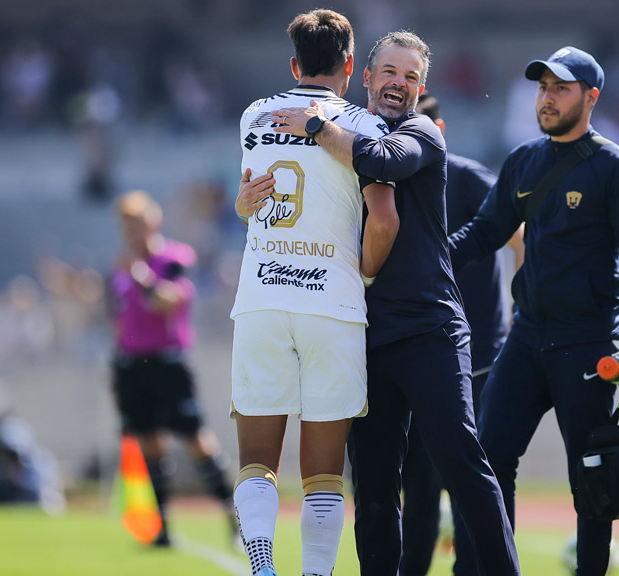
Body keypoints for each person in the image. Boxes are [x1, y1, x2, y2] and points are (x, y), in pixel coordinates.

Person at [271, 31, 521, 576]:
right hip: (362, 334)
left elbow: (387, 159)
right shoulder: (342, 136)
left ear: (421, 88)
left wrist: (314, 124)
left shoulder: (422, 131)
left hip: (429, 327)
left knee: (462, 460)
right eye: (390, 72)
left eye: (411, 77)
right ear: (366, 75)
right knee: (377, 487)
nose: (399, 84)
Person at [448, 46, 619, 576]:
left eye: (560, 88)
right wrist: (429, 261)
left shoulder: (616, 168)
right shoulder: (523, 160)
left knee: (592, 473)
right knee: (489, 460)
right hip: (528, 338)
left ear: (590, 97)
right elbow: (486, 232)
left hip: (588, 343)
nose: (547, 97)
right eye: (543, 88)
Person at [230, 10, 398, 576]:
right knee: (323, 472)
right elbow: (383, 221)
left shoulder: (255, 113)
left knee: (256, 462)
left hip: (261, 300)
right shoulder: (365, 125)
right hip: (333, 304)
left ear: (294, 64)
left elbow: (252, 201)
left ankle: (260, 564)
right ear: (350, 65)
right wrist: (366, 274)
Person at [399, 92, 524, 576]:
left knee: (470, 479)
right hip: (415, 351)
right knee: (420, 487)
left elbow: (522, 235)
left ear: (439, 129)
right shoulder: (389, 183)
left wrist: (521, 311)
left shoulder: (467, 177)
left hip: (476, 356)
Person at [108, 190, 237, 548]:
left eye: (136, 222)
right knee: (149, 444)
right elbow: (117, 316)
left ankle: (233, 518)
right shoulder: (120, 268)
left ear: (153, 222)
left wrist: (139, 276)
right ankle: (162, 528)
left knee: (198, 442)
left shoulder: (172, 258)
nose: (131, 231)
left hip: (167, 363)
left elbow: (170, 300)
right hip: (132, 366)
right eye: (125, 224)